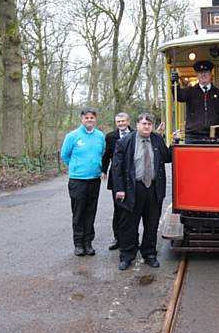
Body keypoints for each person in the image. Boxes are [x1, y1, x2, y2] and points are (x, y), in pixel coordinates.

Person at [112, 113, 172, 271]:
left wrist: (175, 143)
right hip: (133, 188)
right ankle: (127, 255)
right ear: (137, 124)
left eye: (149, 124)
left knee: (152, 223)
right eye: (143, 123)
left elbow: (167, 157)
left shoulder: (157, 139)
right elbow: (117, 168)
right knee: (129, 224)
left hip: (153, 188)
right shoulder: (125, 142)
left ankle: (149, 253)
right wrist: (119, 189)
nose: (146, 127)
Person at [60, 106, 105, 257]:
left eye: (92, 117)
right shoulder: (72, 136)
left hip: (94, 180)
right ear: (82, 119)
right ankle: (78, 243)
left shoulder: (100, 136)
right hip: (77, 180)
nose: (89, 120)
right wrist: (76, 167)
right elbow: (65, 155)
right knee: (79, 213)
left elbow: (102, 153)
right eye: (86, 117)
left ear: (95, 119)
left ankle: (88, 242)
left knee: (91, 212)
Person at [171, 60, 219, 142]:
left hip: (213, 138)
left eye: (206, 72)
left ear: (210, 74)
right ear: (197, 75)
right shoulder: (190, 91)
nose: (203, 74)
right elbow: (179, 96)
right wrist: (174, 84)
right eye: (200, 72)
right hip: (193, 138)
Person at [101, 112, 132, 250]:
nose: (121, 124)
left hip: (132, 177)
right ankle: (117, 238)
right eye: (118, 122)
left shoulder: (136, 134)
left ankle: (132, 238)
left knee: (132, 209)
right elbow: (106, 155)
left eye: (123, 121)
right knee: (118, 209)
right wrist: (104, 170)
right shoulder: (110, 137)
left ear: (128, 121)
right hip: (117, 178)